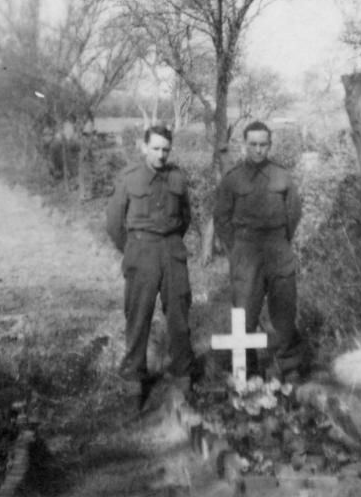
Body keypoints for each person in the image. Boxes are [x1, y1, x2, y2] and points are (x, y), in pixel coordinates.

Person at [106, 124, 196, 398]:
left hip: (171, 249)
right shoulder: (129, 178)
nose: (160, 155)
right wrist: (133, 250)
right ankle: (134, 377)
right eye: (155, 148)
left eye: (165, 150)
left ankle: (182, 374)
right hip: (141, 250)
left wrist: (171, 243)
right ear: (144, 147)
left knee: (179, 314)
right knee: (138, 314)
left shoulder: (177, 177)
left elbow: (185, 217)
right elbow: (114, 223)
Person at [213, 120, 303, 379]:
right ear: (244, 145)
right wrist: (237, 249)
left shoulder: (282, 176)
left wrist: (279, 242)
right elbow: (222, 218)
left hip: (278, 250)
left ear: (270, 145)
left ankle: (290, 366)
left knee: (285, 312)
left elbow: (293, 213)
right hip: (245, 251)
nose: (258, 150)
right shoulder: (233, 179)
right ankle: (247, 369)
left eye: (263, 144)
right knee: (244, 313)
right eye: (253, 144)